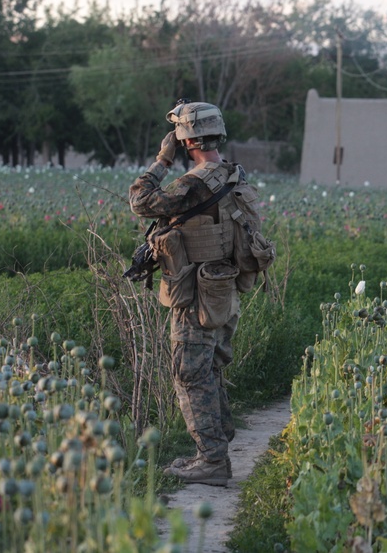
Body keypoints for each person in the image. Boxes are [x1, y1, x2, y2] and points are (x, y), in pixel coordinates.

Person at [128, 99, 245, 487]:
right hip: (223, 289)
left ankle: (212, 460)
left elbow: (141, 201)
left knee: (189, 373)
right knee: (208, 369)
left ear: (185, 138)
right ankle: (215, 442)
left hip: (194, 294)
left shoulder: (194, 182)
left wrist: (162, 160)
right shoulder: (232, 174)